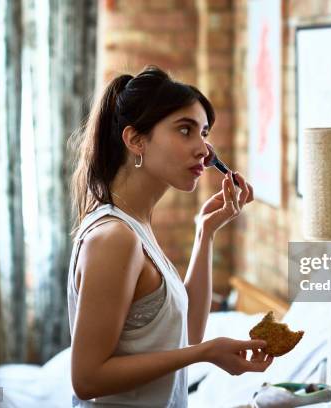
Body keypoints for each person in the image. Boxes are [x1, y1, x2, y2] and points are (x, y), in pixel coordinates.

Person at [67, 65, 273, 407]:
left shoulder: (136, 226)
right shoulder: (115, 237)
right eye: (185, 130)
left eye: (204, 133)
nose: (204, 150)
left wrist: (205, 233)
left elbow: (186, 335)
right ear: (136, 140)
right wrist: (203, 354)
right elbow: (87, 379)